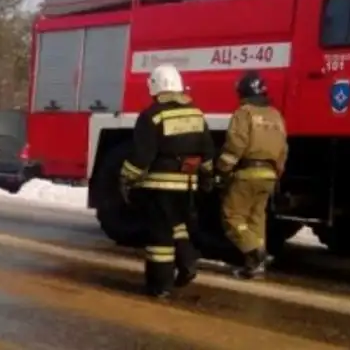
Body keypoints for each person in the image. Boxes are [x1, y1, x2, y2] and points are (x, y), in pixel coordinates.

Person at [119, 64, 214, 298]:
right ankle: (187, 259)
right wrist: (207, 176)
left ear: (156, 87)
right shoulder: (196, 114)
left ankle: (160, 286)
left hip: (159, 185)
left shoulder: (152, 115)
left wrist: (126, 178)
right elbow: (208, 151)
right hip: (187, 185)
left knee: (159, 237)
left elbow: (142, 156)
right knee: (177, 225)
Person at [217, 70, 288, 279]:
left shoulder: (244, 113)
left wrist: (221, 170)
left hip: (247, 173)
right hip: (269, 175)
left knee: (232, 216)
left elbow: (235, 146)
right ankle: (255, 266)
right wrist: (277, 173)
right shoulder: (275, 115)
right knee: (256, 219)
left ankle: (255, 253)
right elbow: (283, 149)